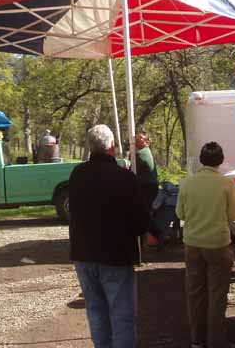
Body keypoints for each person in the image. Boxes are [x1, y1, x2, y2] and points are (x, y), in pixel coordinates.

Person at [69, 124, 149, 348]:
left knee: (96, 313)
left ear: (90, 147)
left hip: (83, 254)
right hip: (115, 256)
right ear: (112, 146)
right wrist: (150, 234)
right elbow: (139, 220)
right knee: (122, 316)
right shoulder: (124, 177)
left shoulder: (77, 175)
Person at [176, 141, 235, 348]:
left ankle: (197, 340)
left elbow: (180, 213)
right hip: (218, 245)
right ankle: (216, 342)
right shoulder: (226, 184)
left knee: (195, 294)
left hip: (192, 245)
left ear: (201, 160)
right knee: (217, 295)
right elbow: (234, 214)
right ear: (220, 161)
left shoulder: (187, 183)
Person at [134, 131, 160, 245]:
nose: (136, 140)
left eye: (140, 138)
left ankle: (159, 234)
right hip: (150, 187)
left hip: (147, 187)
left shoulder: (141, 154)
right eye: (136, 138)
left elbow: (132, 170)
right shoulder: (146, 152)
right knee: (144, 213)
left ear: (147, 142)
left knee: (142, 214)